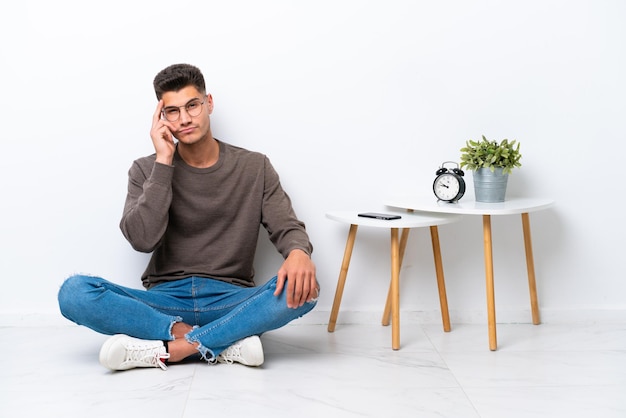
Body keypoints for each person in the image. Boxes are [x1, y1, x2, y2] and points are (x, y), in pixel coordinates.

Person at [58, 63, 319, 371]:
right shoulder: (146, 169)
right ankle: (220, 342)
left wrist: (299, 252)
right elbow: (141, 239)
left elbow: (286, 225)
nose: (184, 119)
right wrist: (164, 161)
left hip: (230, 300)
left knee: (306, 289)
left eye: (192, 106)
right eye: (172, 111)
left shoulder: (254, 166)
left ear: (208, 103)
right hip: (165, 303)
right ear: (161, 117)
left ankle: (175, 350)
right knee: (74, 293)